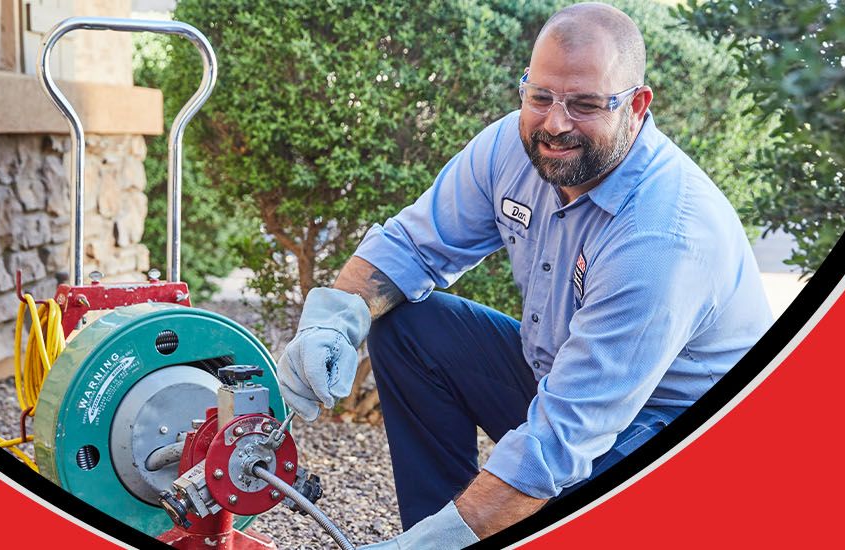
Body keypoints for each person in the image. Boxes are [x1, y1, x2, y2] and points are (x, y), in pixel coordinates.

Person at [273, 3, 775, 547]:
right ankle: (429, 531)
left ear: (636, 105)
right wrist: (333, 319)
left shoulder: (661, 238)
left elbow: (560, 441)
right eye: (540, 97)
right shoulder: (511, 148)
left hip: (667, 434)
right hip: (566, 382)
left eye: (585, 104)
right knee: (410, 329)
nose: (556, 124)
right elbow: (410, 247)